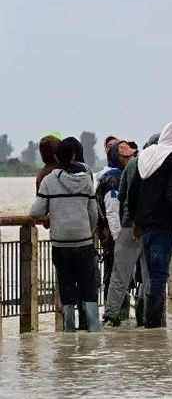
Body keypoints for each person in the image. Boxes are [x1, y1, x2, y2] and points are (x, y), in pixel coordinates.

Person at [30, 139, 101, 332]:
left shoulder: (49, 180)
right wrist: (89, 231)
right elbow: (93, 212)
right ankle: (93, 330)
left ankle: (68, 331)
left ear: (55, 157)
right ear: (73, 156)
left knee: (66, 287)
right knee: (88, 286)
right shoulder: (86, 179)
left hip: (61, 244)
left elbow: (36, 210)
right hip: (84, 242)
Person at [128, 123, 172, 328]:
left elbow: (133, 191)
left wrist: (136, 221)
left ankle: (149, 323)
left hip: (145, 225)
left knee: (150, 272)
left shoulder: (145, 156)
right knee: (159, 274)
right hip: (164, 225)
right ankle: (153, 325)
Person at [98, 141, 140, 326]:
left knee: (121, 277)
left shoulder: (123, 175)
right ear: (116, 157)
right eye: (124, 157)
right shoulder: (113, 179)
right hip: (116, 238)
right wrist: (117, 240)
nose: (128, 160)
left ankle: (119, 320)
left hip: (121, 237)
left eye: (130, 156)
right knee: (116, 277)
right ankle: (114, 319)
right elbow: (113, 212)